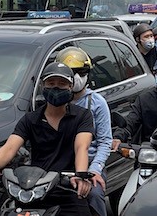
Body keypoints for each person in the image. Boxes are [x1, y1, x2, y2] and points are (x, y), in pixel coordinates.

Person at [0, 62, 94, 216]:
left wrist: (81, 175)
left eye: (62, 84)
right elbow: (9, 148)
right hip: (33, 191)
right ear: (43, 86)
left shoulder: (83, 116)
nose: (56, 88)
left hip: (67, 188)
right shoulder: (30, 119)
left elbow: (81, 147)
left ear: (70, 87)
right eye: (51, 83)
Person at [57, 47, 112, 216]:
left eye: (81, 72)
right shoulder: (55, 101)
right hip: (61, 162)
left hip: (90, 162)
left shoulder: (97, 103)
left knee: (94, 194)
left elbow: (105, 142)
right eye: (72, 72)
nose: (77, 77)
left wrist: (95, 169)